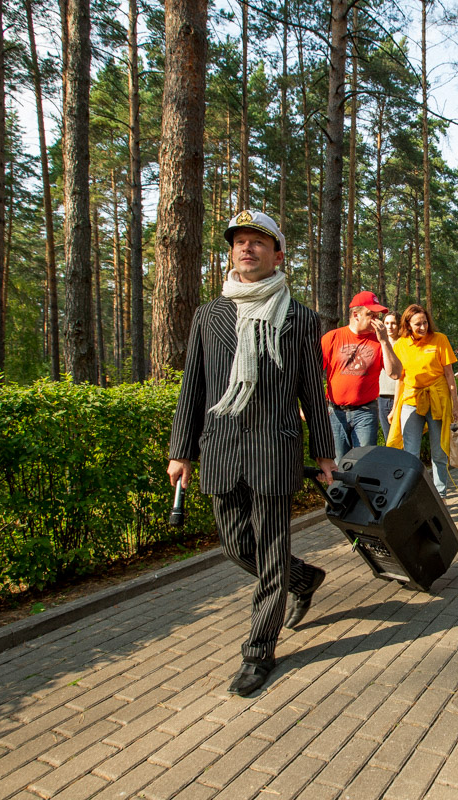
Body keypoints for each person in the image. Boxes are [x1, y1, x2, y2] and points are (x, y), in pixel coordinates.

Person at [167, 209, 336, 698]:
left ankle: (258, 652)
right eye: (239, 241)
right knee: (236, 546)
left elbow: (312, 390)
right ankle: (304, 578)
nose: (247, 247)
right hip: (221, 448)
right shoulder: (209, 315)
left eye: (258, 241)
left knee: (269, 554)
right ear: (231, 253)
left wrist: (325, 453)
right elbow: (193, 387)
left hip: (274, 449)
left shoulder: (299, 318)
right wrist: (181, 450)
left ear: (277, 255)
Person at [387, 304, 458, 494]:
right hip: (411, 399)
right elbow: (400, 380)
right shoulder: (401, 345)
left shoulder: (439, 339)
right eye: (417, 324)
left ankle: (440, 493)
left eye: (425, 322)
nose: (423, 327)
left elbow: (449, 375)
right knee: (410, 452)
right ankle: (412, 494)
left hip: (438, 399)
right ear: (408, 325)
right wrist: (395, 408)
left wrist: (456, 405)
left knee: (439, 451)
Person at [320, 291, 402, 459]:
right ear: (356, 315)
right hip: (335, 412)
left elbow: (395, 374)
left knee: (364, 461)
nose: (377, 320)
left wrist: (384, 341)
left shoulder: (380, 341)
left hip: (365, 412)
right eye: (371, 315)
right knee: (339, 462)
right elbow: (312, 374)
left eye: (377, 316)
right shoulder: (332, 337)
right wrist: (315, 404)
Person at [376, 311, 400, 443]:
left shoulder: (404, 345)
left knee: (402, 437)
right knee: (389, 438)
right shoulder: (378, 344)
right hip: (382, 397)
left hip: (401, 397)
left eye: (393, 323)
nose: (390, 327)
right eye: (387, 323)